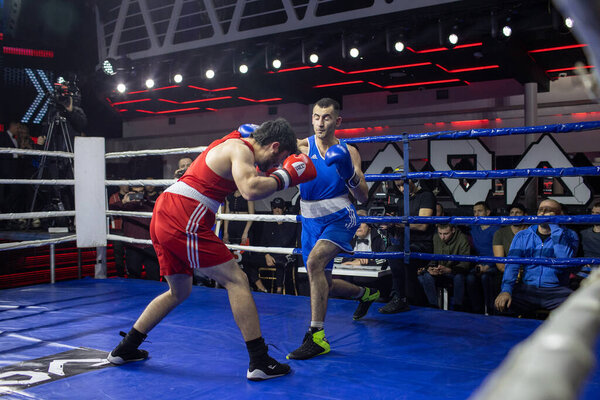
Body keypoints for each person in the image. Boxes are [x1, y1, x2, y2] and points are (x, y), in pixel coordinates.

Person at [107, 118, 316, 382]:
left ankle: (125, 349)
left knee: (179, 291)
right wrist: (286, 175)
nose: (275, 166)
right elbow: (250, 189)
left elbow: (275, 141)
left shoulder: (237, 141)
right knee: (237, 280)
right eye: (278, 159)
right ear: (274, 146)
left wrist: (298, 147)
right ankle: (259, 360)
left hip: (167, 212)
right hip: (183, 214)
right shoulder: (240, 150)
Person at [287, 98, 379, 361]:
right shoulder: (302, 146)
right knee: (323, 282)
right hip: (310, 220)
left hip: (340, 217)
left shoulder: (349, 152)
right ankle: (366, 294)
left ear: (337, 121)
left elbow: (362, 197)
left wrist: (349, 174)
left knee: (315, 263)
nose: (320, 123)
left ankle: (317, 337)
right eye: (316, 117)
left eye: (326, 117)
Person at [494, 199, 579, 315]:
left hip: (556, 291)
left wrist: (554, 225)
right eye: (541, 210)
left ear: (559, 215)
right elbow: (512, 265)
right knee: (501, 304)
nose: (543, 213)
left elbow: (564, 262)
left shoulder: (569, 235)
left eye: (549, 210)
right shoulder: (523, 235)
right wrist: (506, 290)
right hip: (528, 289)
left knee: (579, 310)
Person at [378, 167, 436, 313]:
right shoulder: (402, 201)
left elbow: (423, 225)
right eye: (397, 186)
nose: (401, 189)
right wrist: (390, 226)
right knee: (393, 252)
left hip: (422, 245)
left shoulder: (426, 196)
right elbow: (401, 228)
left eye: (402, 185)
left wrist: (398, 223)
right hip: (406, 244)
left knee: (394, 253)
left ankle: (399, 298)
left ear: (411, 180)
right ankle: (404, 298)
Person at [417, 224, 470, 310]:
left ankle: (458, 307)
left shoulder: (462, 239)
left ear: (453, 230)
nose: (442, 237)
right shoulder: (435, 237)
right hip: (440, 270)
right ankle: (433, 306)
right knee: (425, 276)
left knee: (459, 277)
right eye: (440, 233)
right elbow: (433, 258)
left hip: (454, 272)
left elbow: (466, 263)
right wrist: (431, 268)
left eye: (445, 234)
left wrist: (450, 270)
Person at [256, 197, 298, 294]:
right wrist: (267, 255)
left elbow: (285, 242)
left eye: (279, 207)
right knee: (246, 260)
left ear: (284, 209)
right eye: (275, 208)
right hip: (269, 255)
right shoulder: (268, 222)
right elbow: (263, 242)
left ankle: (278, 291)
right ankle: (261, 288)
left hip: (283, 254)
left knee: (280, 261)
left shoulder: (290, 222)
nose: (277, 210)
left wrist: (280, 225)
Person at [466, 201, 500, 313]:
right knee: (470, 278)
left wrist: (488, 265)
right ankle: (477, 312)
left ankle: (491, 311)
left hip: (494, 263)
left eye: (479, 211)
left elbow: (498, 252)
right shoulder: (473, 227)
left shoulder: (496, 229)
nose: (476, 214)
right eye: (474, 211)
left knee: (487, 277)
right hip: (477, 264)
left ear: (488, 212)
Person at [492, 203, 528, 274]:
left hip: (530, 273)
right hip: (509, 272)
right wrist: (513, 274)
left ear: (525, 215)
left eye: (518, 212)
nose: (514, 215)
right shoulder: (500, 233)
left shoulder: (533, 232)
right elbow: (500, 264)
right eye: (512, 213)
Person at [572, 201, 600, 286]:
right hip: (584, 270)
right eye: (592, 213)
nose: (593, 216)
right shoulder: (582, 233)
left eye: (598, 213)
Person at [108, 183, 130, 277]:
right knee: (118, 254)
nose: (126, 186)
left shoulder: (130, 196)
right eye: (124, 185)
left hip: (128, 228)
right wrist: (123, 203)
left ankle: (129, 273)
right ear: (120, 186)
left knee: (129, 253)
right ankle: (120, 275)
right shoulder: (113, 197)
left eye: (127, 185)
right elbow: (112, 210)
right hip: (117, 229)